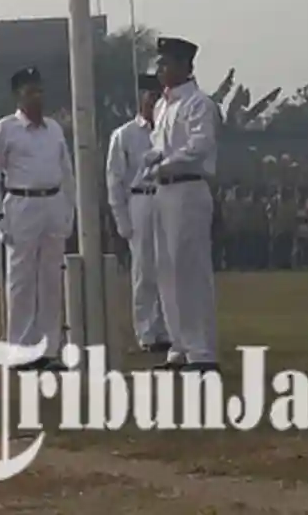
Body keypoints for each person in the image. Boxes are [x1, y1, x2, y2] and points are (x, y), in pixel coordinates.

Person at [0, 66, 76, 372]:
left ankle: (48, 349)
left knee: (50, 280)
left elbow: (67, 172)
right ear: (18, 96)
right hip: (21, 204)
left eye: (40, 90)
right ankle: (20, 348)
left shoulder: (54, 129)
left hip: (52, 203)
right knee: (21, 281)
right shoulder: (5, 128)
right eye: (31, 92)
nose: (38, 97)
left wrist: (68, 210)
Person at [143, 36, 220, 373]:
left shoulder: (198, 104)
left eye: (166, 63)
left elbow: (199, 146)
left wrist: (165, 163)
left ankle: (202, 351)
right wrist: (155, 158)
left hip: (188, 188)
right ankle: (179, 346)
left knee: (190, 271)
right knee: (166, 270)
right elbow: (161, 144)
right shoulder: (162, 106)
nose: (160, 70)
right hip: (162, 191)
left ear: (184, 67)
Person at [106, 73, 169, 354]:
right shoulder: (125, 134)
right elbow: (114, 180)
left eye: (158, 96)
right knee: (144, 269)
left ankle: (169, 328)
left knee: (169, 267)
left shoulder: (168, 130)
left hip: (168, 197)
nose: (154, 101)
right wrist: (122, 221)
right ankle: (147, 331)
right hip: (140, 200)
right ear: (141, 97)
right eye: (150, 95)